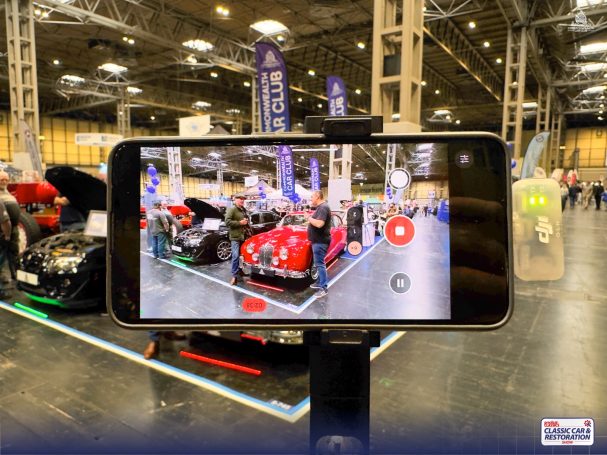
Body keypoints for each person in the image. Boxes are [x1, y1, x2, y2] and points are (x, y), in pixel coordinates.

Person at [305, 190, 332, 298]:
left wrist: (308, 218)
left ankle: (323, 288)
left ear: (317, 197)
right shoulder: (321, 207)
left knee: (320, 264)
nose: (311, 199)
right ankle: (319, 282)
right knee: (318, 263)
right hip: (318, 241)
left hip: (320, 241)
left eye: (312, 196)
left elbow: (320, 224)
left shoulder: (323, 207)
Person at [0, 171, 21, 280]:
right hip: (2, 229)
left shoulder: (7, 193)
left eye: (6, 180)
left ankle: (15, 275)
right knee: (2, 254)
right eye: (1, 180)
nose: (4, 182)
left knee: (14, 252)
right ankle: (2, 277)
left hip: (13, 228)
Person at [225, 195, 249, 285]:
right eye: (240, 199)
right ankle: (234, 276)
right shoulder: (232, 209)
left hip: (243, 236)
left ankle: (240, 271)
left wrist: (246, 221)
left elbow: (245, 220)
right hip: (235, 237)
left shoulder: (243, 209)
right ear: (235, 200)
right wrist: (240, 223)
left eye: (243, 199)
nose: (242, 200)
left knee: (241, 256)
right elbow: (227, 222)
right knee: (235, 256)